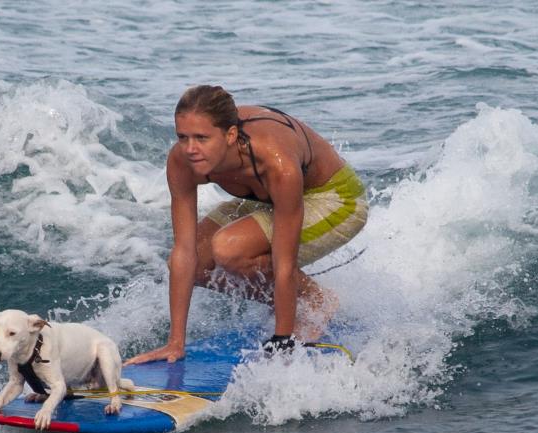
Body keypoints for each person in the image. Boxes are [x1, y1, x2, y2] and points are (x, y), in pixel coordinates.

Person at [124, 85, 367, 365]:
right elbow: (184, 252)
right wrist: (175, 343)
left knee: (229, 248)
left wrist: (282, 341)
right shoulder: (182, 161)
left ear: (229, 135)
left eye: (201, 138)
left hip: (334, 200)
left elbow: (283, 262)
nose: (190, 149)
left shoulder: (276, 162)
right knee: (198, 264)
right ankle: (296, 302)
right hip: (266, 198)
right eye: (182, 137)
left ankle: (315, 300)